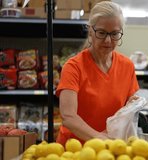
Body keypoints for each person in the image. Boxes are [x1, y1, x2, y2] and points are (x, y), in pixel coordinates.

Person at [55, 1, 139, 145]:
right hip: (74, 149)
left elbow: (128, 109)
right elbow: (68, 117)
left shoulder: (127, 66)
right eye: (101, 33)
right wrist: (102, 140)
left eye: (114, 34)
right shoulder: (73, 67)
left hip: (110, 149)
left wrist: (132, 107)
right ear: (90, 31)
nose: (107, 40)